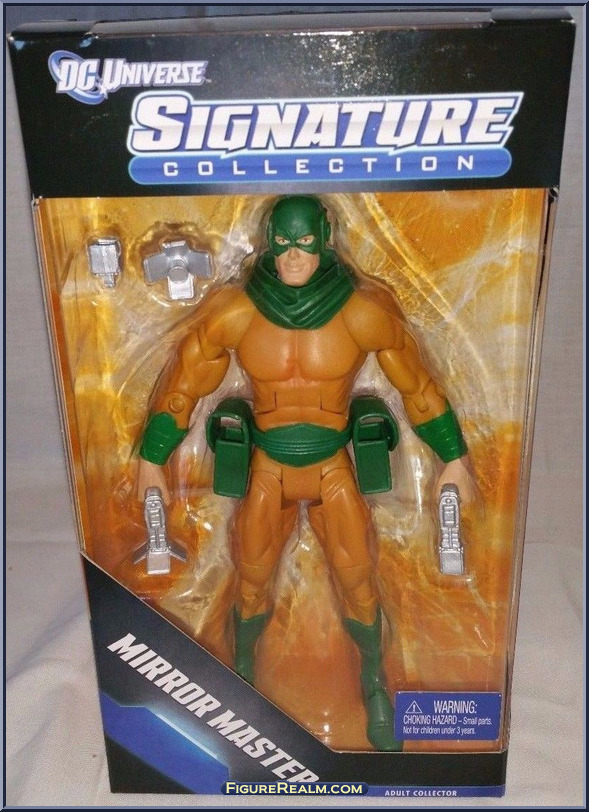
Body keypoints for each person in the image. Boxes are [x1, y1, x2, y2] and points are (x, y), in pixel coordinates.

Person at [136, 195, 476, 751]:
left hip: (331, 465)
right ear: (269, 242)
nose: (293, 256)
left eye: (305, 243)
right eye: (284, 243)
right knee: (250, 580)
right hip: (267, 465)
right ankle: (241, 680)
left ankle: (373, 682)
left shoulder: (362, 310)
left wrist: (452, 457)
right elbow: (184, 387)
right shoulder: (236, 310)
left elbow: (417, 386)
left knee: (358, 580)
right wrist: (152, 459)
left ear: (325, 240)